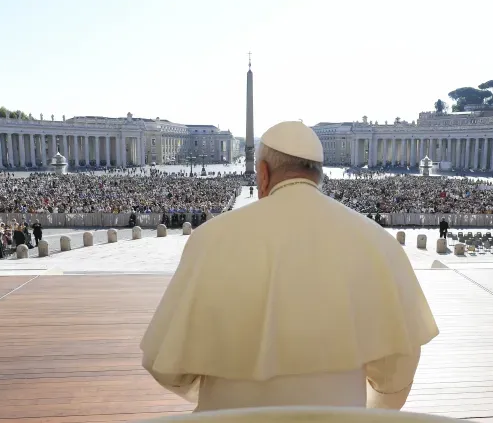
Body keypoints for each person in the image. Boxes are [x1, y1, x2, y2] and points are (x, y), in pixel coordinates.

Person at [141, 121, 438, 412]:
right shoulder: (376, 240)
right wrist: (365, 412)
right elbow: (397, 370)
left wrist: (212, 396)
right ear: (319, 174)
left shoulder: (210, 238)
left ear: (263, 173)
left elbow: (164, 364)